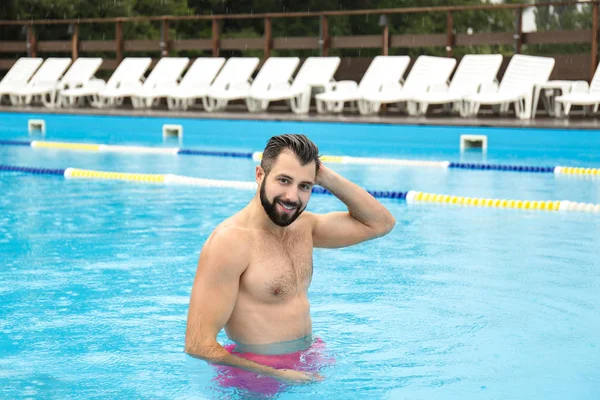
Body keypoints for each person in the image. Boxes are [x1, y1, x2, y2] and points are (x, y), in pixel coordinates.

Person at [184, 134, 395, 388]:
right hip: (256, 374)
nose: (292, 197)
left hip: (308, 358)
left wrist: (323, 175)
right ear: (260, 175)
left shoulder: (304, 227)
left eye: (304, 186)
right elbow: (198, 344)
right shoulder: (229, 243)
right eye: (284, 180)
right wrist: (277, 374)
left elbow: (381, 223)